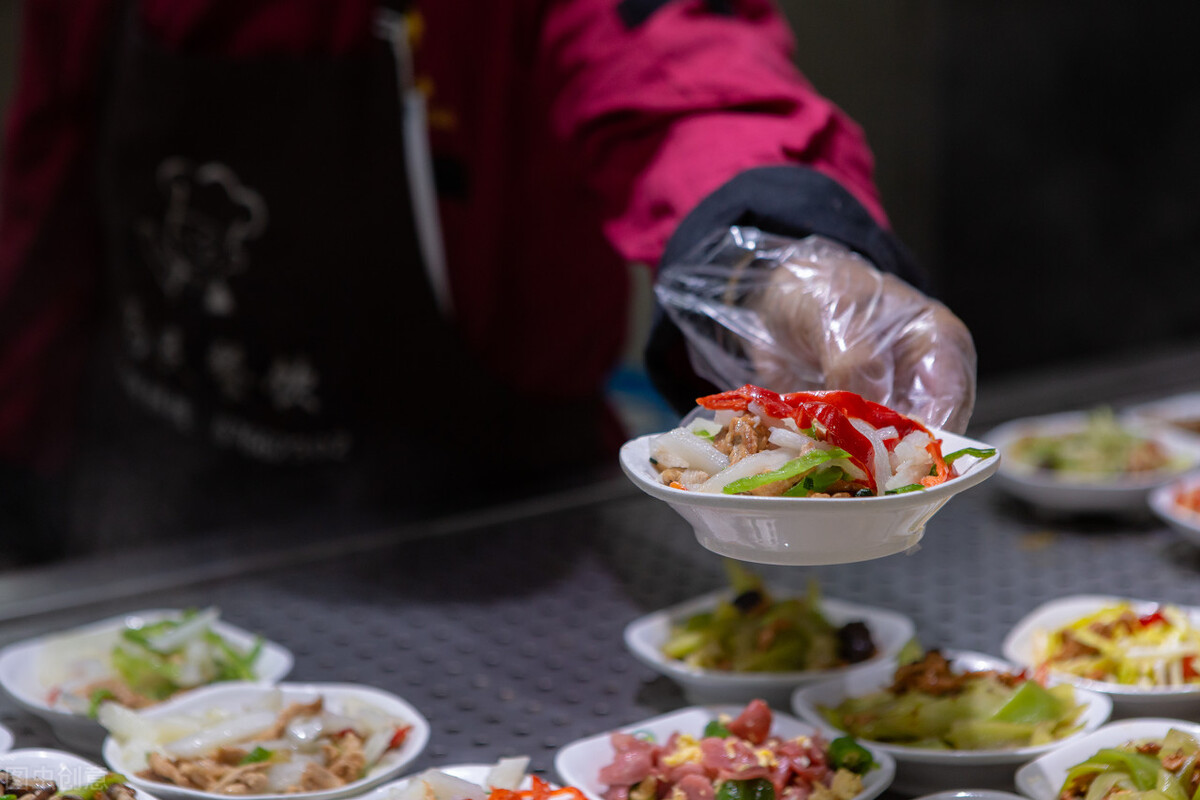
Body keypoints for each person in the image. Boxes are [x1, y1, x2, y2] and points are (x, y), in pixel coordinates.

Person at [0, 0, 975, 555]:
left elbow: (682, 65)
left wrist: (776, 253)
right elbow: (48, 173)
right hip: (154, 522)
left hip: (493, 534)